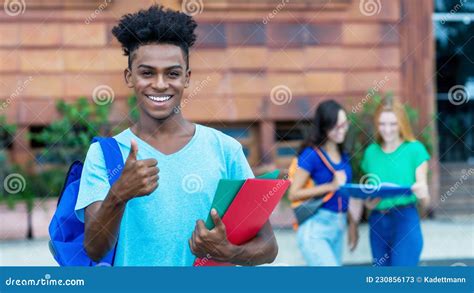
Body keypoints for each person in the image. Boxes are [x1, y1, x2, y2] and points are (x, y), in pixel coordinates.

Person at [74, 5, 278, 266]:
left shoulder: (225, 149)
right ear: (130, 77)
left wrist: (228, 252)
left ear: (187, 78)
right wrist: (119, 194)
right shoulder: (105, 153)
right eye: (147, 73)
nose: (160, 84)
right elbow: (94, 249)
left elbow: (269, 247)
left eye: (172, 73)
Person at [288, 100, 359, 266]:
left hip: (338, 225)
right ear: (324, 126)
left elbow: (343, 193)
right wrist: (331, 186)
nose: (342, 130)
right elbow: (293, 193)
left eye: (344, 125)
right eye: (336, 126)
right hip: (316, 228)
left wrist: (352, 224)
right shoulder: (311, 154)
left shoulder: (343, 155)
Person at [361, 97, 430, 266]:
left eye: (393, 124)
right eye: (382, 124)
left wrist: (422, 193)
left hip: (405, 220)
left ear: (402, 124)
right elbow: (368, 197)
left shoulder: (415, 150)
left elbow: (426, 201)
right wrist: (368, 204)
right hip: (378, 222)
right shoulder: (371, 153)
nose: (387, 130)